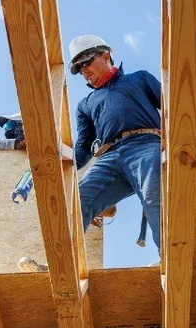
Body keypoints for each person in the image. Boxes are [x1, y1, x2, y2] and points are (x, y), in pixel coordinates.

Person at [70, 34, 163, 250]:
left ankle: (171, 259)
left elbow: (171, 108)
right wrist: (57, 165)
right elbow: (83, 148)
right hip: (109, 157)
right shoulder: (85, 105)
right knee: (79, 200)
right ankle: (64, 264)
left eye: (86, 62)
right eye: (79, 68)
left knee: (154, 195)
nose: (84, 71)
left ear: (105, 55)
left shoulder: (139, 79)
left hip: (146, 145)